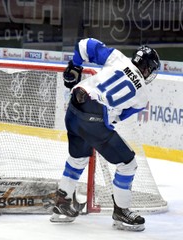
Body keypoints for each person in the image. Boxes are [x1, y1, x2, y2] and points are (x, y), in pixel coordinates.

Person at [50, 38, 160, 232]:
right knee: (127, 164)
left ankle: (62, 203)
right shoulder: (142, 97)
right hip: (94, 116)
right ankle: (121, 211)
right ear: (147, 69)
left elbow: (86, 44)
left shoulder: (118, 58)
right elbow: (116, 118)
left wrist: (75, 66)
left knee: (78, 158)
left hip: (75, 105)